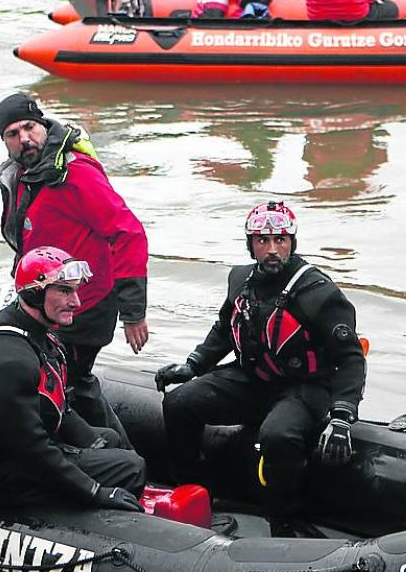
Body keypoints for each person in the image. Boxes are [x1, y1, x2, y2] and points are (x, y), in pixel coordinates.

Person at [154, 201, 367, 537]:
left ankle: (284, 520)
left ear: (292, 243)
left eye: (280, 240)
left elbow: (351, 358)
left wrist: (342, 415)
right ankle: (195, 492)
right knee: (179, 403)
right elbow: (225, 329)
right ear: (250, 244)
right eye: (263, 241)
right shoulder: (240, 279)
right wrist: (193, 365)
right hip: (255, 380)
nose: (272, 249)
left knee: (278, 435)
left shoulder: (319, 294)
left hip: (305, 388)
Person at [0, 247, 145, 511]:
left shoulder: (38, 334)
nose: (76, 302)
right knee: (132, 468)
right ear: (35, 292)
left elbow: (58, 407)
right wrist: (97, 493)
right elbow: (31, 449)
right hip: (1, 476)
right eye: (64, 291)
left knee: (110, 440)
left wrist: (96, 444)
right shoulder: (8, 360)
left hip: (19, 451)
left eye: (74, 291)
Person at [0, 92, 149, 443]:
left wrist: (133, 312)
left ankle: (122, 459)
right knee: (62, 379)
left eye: (29, 128)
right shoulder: (23, 174)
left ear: (43, 126)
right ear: (4, 141)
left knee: (73, 383)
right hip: (44, 298)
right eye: (13, 134)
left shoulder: (75, 174)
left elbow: (130, 234)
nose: (24, 139)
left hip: (86, 304)